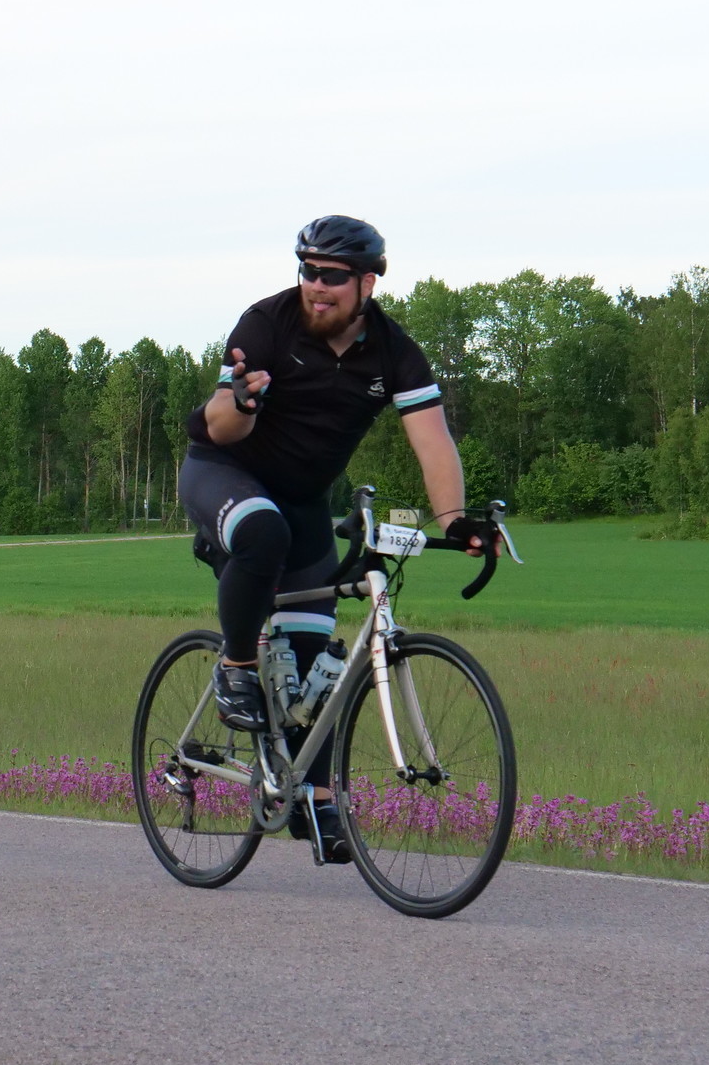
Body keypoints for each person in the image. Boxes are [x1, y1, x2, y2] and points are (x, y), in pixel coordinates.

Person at [179, 216, 493, 861]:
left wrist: (455, 520)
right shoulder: (267, 323)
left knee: (314, 664)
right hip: (224, 473)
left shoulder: (393, 351)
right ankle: (236, 667)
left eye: (332, 276)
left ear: (367, 283)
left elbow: (433, 440)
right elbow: (217, 424)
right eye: (308, 271)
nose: (316, 286)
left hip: (304, 504)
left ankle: (314, 800)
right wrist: (241, 402)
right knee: (261, 532)